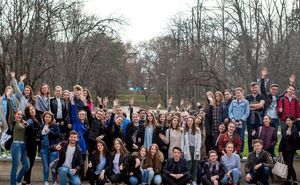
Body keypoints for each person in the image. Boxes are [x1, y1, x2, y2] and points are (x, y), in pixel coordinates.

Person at [10, 110, 32, 185]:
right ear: (14, 115)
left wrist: (27, 124)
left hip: (24, 146)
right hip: (16, 146)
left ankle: (18, 179)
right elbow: (10, 111)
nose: (20, 116)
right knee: (15, 167)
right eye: (18, 114)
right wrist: (9, 99)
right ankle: (13, 183)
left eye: (21, 115)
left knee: (27, 165)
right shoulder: (13, 123)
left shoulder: (24, 124)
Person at [23, 105, 42, 185]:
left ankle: (26, 180)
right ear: (28, 112)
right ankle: (26, 181)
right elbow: (28, 123)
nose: (32, 110)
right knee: (30, 163)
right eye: (30, 110)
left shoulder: (37, 118)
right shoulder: (29, 119)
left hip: (35, 143)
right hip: (30, 144)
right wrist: (26, 124)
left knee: (31, 163)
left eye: (32, 109)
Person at [40, 111, 60, 185]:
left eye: (49, 117)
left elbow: (58, 135)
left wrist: (49, 131)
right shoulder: (42, 126)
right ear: (44, 118)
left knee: (53, 166)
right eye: (46, 117)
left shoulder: (54, 125)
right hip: (43, 149)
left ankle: (55, 181)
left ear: (51, 118)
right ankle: (46, 181)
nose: (47, 118)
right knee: (45, 166)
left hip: (53, 148)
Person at [228, 87, 250, 152]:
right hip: (233, 122)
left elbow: (247, 112)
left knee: (241, 137)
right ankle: (233, 151)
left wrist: (241, 120)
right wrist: (232, 118)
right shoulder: (233, 102)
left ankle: (240, 151)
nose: (237, 94)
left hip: (242, 122)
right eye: (236, 93)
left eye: (239, 93)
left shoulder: (246, 102)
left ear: (242, 93)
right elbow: (230, 111)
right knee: (233, 137)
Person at [181, 116, 201, 184]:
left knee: (195, 166)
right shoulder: (184, 130)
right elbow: (182, 141)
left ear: (193, 122)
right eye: (188, 121)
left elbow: (199, 141)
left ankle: (194, 180)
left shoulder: (197, 130)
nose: (190, 122)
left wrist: (198, 150)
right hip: (187, 149)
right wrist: (182, 150)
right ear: (186, 122)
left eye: (191, 121)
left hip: (195, 149)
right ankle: (188, 180)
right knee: (188, 166)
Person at [279, 116, 298, 185]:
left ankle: (295, 181)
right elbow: (282, 139)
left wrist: (290, 135)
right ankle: (288, 180)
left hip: (291, 150)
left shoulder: (295, 129)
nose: (288, 122)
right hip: (284, 149)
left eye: (289, 120)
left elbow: (296, 141)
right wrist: (280, 150)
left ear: (292, 121)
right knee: (287, 165)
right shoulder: (284, 128)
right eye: (287, 120)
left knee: (290, 165)